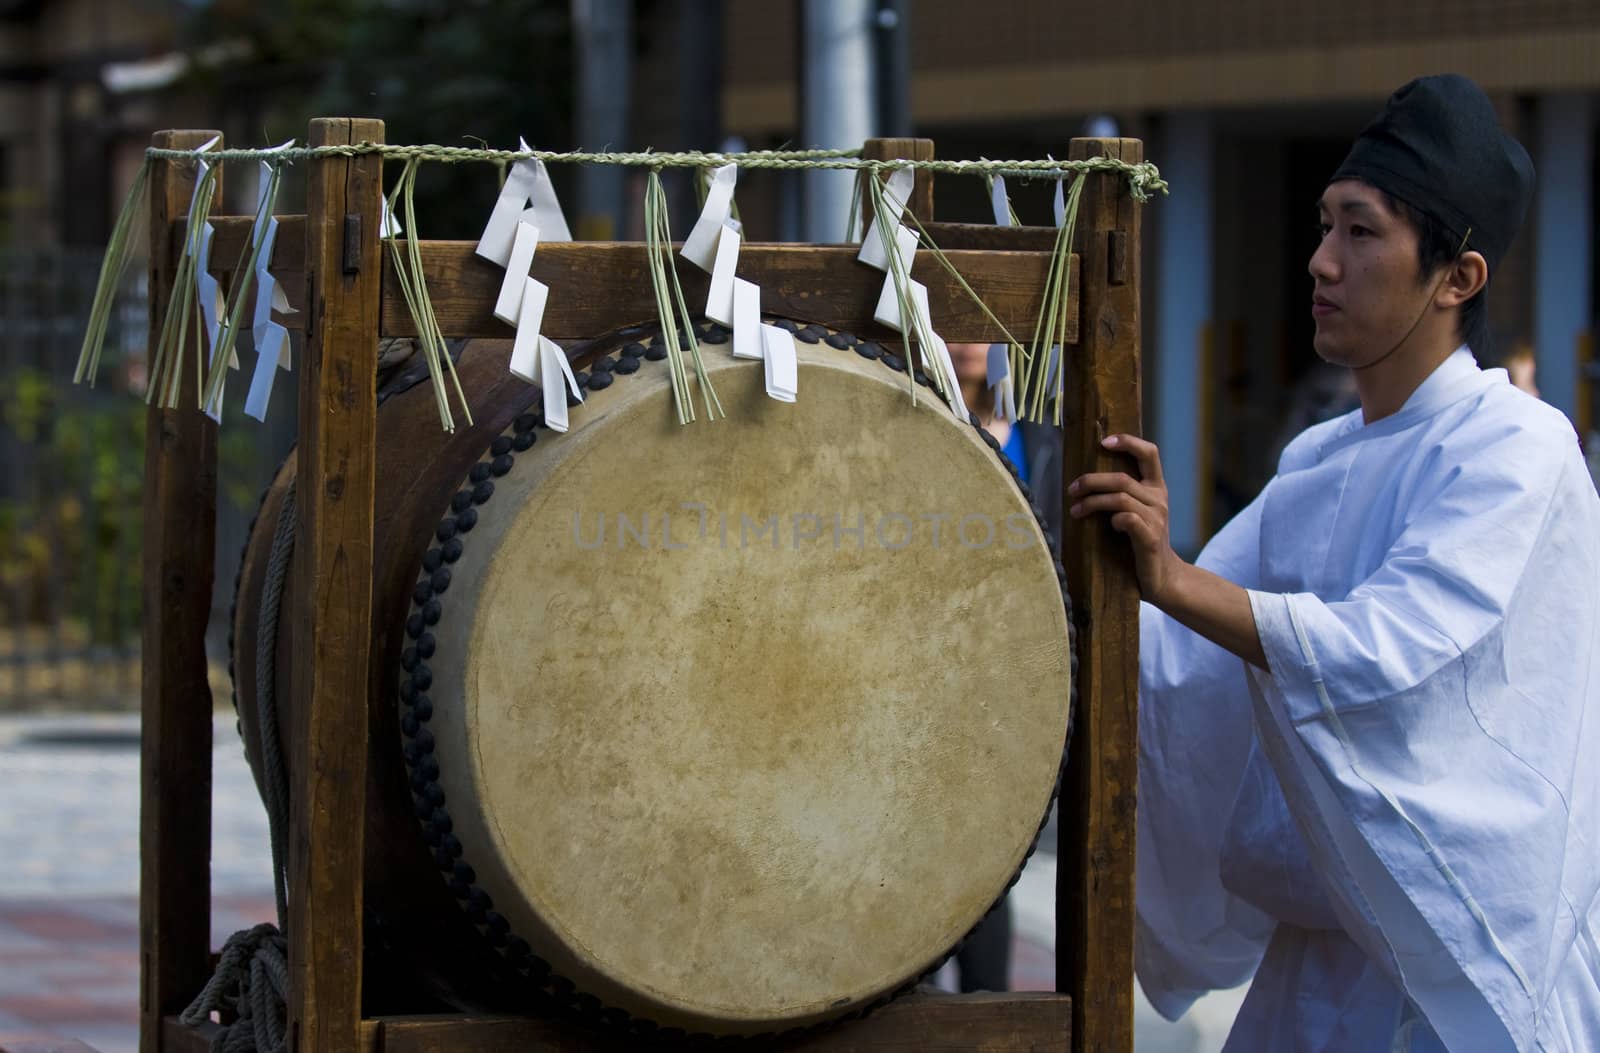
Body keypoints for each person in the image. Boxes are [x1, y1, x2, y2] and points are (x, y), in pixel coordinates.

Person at [1070, 74, 1600, 1050]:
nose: (1319, 262)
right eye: (1323, 226)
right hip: (1315, 971)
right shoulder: (1316, 460)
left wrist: (1175, 577)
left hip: (1463, 972)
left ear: (1457, 278)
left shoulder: (1514, 446)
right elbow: (1180, 671)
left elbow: (1388, 653)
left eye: (1360, 233)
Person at [940, 341, 1065, 993]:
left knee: (992, 855)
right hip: (931, 673)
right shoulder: (913, 421)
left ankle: (989, 1006)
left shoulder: (1044, 442)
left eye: (976, 328)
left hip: (1013, 680)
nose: (963, 343)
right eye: (950, 324)